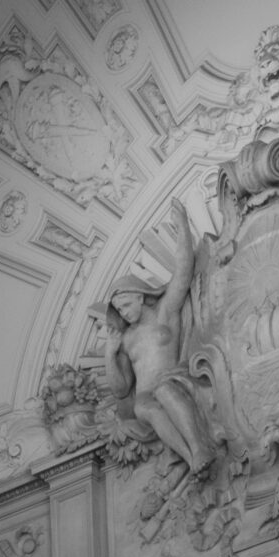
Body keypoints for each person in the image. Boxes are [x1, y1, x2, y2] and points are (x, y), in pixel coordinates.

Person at [104, 200, 224, 480]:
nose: (123, 312)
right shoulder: (126, 339)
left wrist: (182, 225)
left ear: (140, 295)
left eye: (126, 304)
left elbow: (183, 271)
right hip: (145, 394)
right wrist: (110, 354)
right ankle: (193, 455)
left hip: (174, 379)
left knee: (165, 391)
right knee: (146, 405)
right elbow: (121, 389)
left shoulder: (165, 312)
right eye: (119, 310)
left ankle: (198, 447)